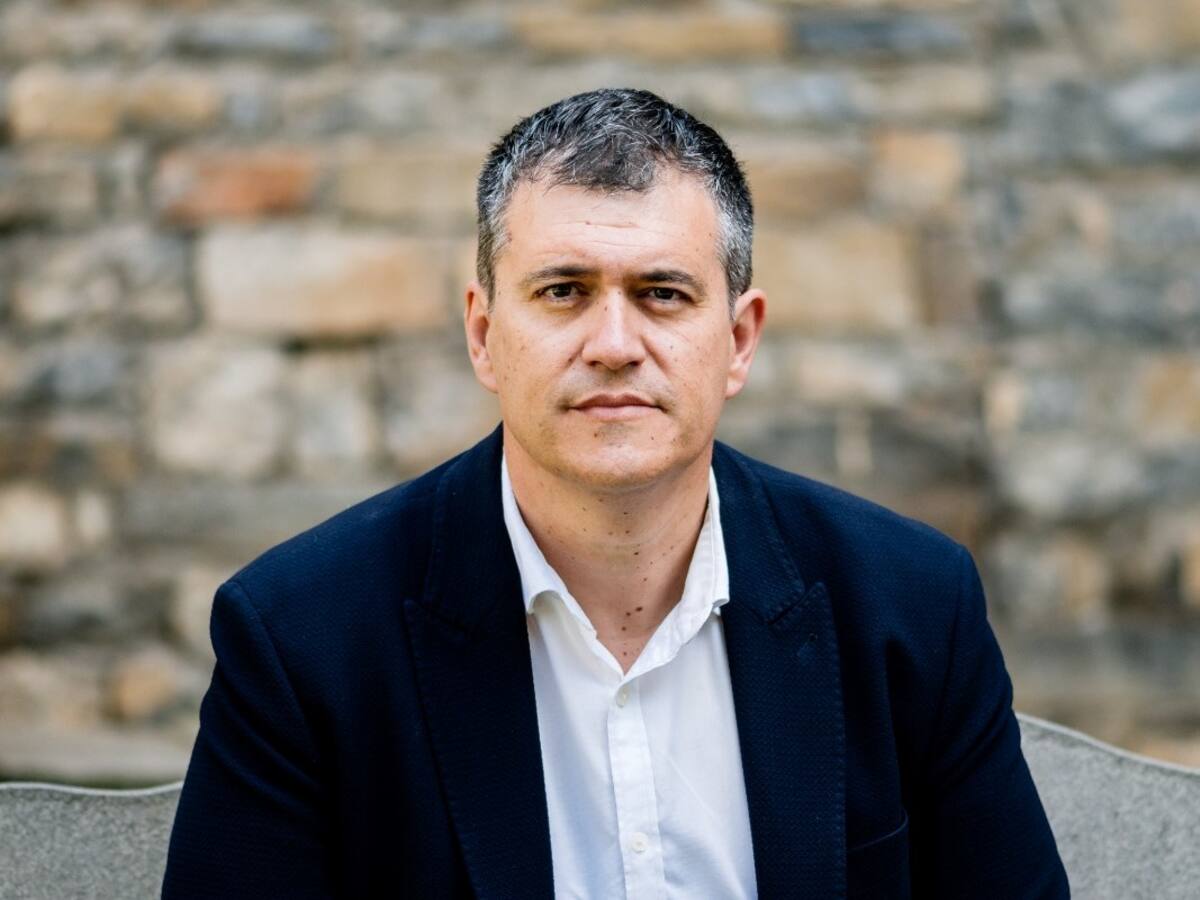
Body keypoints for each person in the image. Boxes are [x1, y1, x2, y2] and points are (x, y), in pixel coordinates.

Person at [162, 88, 1069, 899]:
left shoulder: (913, 605)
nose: (613, 344)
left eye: (662, 293)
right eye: (563, 291)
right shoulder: (300, 639)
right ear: (483, 334)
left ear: (739, 340)